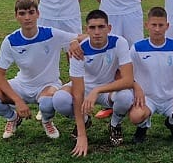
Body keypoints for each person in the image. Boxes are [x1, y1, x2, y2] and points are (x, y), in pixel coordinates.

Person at [0, 0, 79, 143]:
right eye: (22, 13)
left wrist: (74, 41)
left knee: (47, 104)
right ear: (16, 16)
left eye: (31, 12)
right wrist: (17, 101)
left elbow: (81, 37)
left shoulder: (51, 33)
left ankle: (47, 121)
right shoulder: (10, 41)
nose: (27, 17)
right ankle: (13, 118)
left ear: (38, 14)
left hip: (48, 85)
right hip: (22, 85)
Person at [53, 9, 135, 153]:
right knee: (60, 100)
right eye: (92, 27)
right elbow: (78, 93)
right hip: (84, 88)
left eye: (101, 27)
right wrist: (82, 135)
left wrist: (98, 90)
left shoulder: (119, 43)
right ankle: (84, 121)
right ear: (87, 30)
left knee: (126, 97)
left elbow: (128, 80)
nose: (97, 32)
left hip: (107, 88)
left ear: (109, 28)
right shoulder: (78, 50)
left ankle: (115, 124)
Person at [128, 7, 173, 143]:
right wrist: (136, 87)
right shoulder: (137, 48)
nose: (157, 29)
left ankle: (172, 123)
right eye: (153, 25)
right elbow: (125, 74)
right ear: (147, 25)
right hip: (147, 98)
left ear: (167, 26)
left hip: (171, 97)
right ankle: (142, 127)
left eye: (161, 25)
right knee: (136, 116)